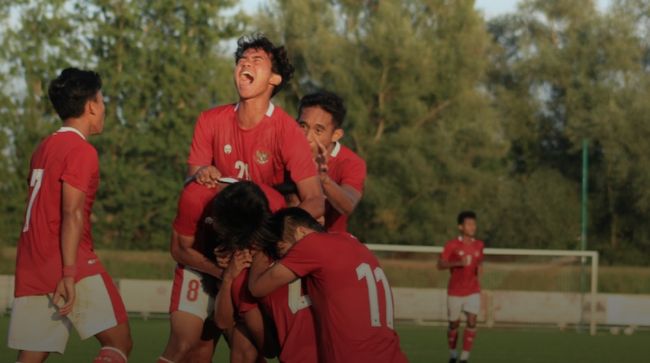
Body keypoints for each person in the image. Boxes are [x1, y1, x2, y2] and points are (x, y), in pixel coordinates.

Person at [8, 68, 132, 363]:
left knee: (31, 357)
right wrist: (68, 273)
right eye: (102, 101)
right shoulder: (81, 150)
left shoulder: (43, 147)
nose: (103, 108)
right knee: (119, 344)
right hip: (69, 261)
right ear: (91, 106)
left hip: (32, 263)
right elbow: (71, 212)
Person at [186, 34, 323, 218]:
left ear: (274, 78)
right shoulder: (209, 120)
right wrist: (202, 173)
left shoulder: (289, 131)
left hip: (266, 222)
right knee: (194, 195)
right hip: (223, 217)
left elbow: (315, 200)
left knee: (289, 202)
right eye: (242, 59)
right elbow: (191, 185)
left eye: (256, 60)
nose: (246, 63)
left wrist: (278, 228)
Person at [248, 208, 408, 363]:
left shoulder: (311, 243)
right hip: (392, 355)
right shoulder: (351, 241)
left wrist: (259, 255)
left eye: (282, 249)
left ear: (301, 232)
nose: (282, 257)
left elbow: (257, 288)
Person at [158, 180, 284, 363]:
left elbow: (270, 251)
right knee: (184, 345)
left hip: (241, 272)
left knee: (247, 351)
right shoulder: (196, 196)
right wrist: (222, 271)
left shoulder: (275, 203)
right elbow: (179, 250)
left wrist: (236, 268)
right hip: (198, 266)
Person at [208, 183, 317, 363]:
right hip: (327, 340)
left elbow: (269, 348)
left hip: (303, 344)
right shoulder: (291, 235)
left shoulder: (245, 273)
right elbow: (223, 322)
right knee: (242, 342)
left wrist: (230, 277)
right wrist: (228, 277)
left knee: (243, 342)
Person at [297, 91, 366, 232]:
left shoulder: (351, 163)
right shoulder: (286, 151)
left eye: (318, 130)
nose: (307, 137)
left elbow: (348, 206)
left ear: (336, 135)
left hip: (328, 243)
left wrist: (323, 179)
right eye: (303, 126)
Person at [437, 211, 484, 363]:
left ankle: (464, 358)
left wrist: (480, 270)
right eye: (469, 224)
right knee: (454, 324)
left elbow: (479, 262)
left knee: (472, 320)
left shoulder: (479, 245)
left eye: (474, 224)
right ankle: (453, 354)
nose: (472, 227)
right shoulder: (452, 245)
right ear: (460, 227)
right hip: (455, 291)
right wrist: (457, 263)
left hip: (473, 290)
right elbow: (440, 264)